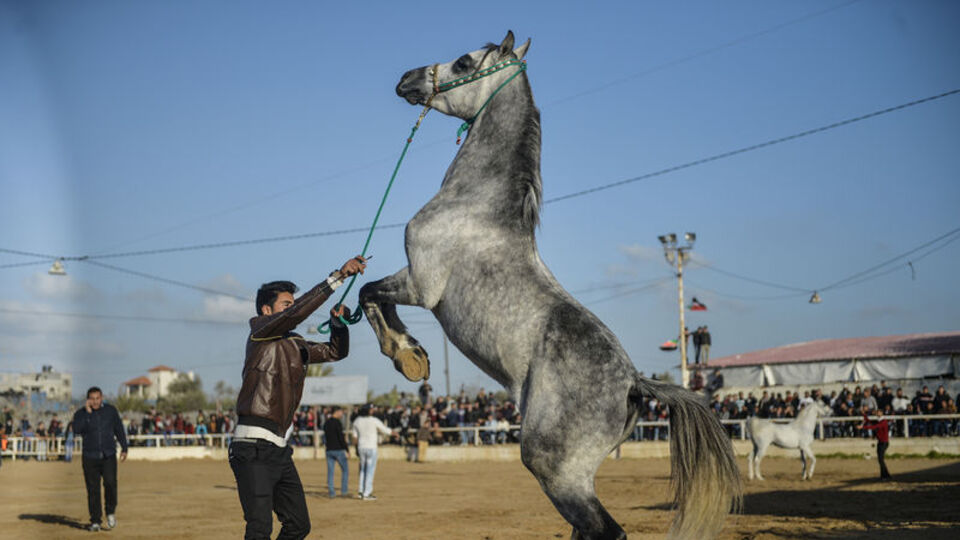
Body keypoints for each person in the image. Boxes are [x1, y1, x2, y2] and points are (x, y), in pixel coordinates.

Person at [229, 255, 366, 540]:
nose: (292, 308)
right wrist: (337, 278)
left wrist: (338, 324)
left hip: (279, 449)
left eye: (293, 303)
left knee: (299, 525)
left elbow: (335, 352)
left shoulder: (295, 343)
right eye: (286, 304)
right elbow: (296, 315)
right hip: (252, 449)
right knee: (259, 529)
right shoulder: (259, 331)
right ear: (267, 310)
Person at [72, 386, 129, 531]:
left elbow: (119, 429)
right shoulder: (80, 413)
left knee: (110, 484)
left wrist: (124, 447)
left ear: (102, 398)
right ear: (88, 400)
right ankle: (95, 521)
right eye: (92, 399)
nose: (95, 401)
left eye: (97, 398)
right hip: (89, 457)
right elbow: (77, 430)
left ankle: (110, 512)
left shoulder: (111, 411)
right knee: (93, 490)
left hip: (108, 455)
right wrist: (88, 414)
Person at [351, 404, 397, 500]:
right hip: (371, 447)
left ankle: (361, 491)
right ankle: (367, 493)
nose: (373, 410)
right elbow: (385, 430)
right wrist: (394, 433)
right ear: (368, 411)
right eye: (371, 409)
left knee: (362, 470)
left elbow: (354, 437)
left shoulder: (357, 421)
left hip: (361, 447)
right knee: (370, 470)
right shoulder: (373, 420)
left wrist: (356, 449)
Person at [323, 407, 350, 498]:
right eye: (341, 412)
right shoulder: (337, 423)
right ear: (337, 412)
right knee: (345, 470)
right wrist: (347, 449)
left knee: (330, 472)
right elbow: (341, 437)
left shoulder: (326, 423)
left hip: (329, 450)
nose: (342, 414)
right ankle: (344, 491)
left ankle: (331, 492)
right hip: (338, 450)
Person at [860, 411, 892, 481]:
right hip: (881, 442)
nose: (877, 413)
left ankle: (884, 476)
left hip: (883, 442)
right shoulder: (880, 421)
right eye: (877, 412)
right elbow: (869, 422)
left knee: (880, 459)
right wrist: (864, 414)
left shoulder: (883, 422)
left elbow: (874, 426)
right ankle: (886, 475)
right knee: (880, 459)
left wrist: (863, 427)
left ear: (882, 413)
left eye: (879, 412)